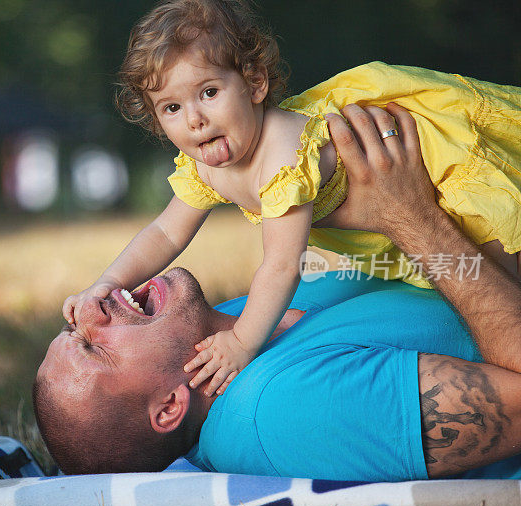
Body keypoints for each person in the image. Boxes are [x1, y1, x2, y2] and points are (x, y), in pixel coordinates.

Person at [34, 103, 521, 481]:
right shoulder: (280, 412)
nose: (91, 310)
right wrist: (410, 217)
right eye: (93, 346)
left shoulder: (233, 327)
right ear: (168, 407)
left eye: (72, 323)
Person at [62, 0, 521, 398]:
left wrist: (243, 341)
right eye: (173, 108)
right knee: (468, 268)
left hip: (430, 168)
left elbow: (282, 265)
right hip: (390, 207)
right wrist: (108, 281)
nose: (196, 120)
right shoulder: (206, 166)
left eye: (209, 92)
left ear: (255, 84)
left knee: (494, 253)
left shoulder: (281, 155)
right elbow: (165, 231)